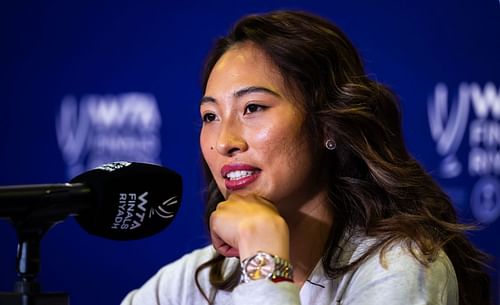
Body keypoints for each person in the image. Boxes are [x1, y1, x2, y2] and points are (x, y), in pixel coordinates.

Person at [121, 10, 491, 305]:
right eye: (210, 116)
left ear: (327, 126)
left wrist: (263, 262)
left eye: (252, 107)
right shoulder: (199, 280)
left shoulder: (399, 266)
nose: (224, 142)